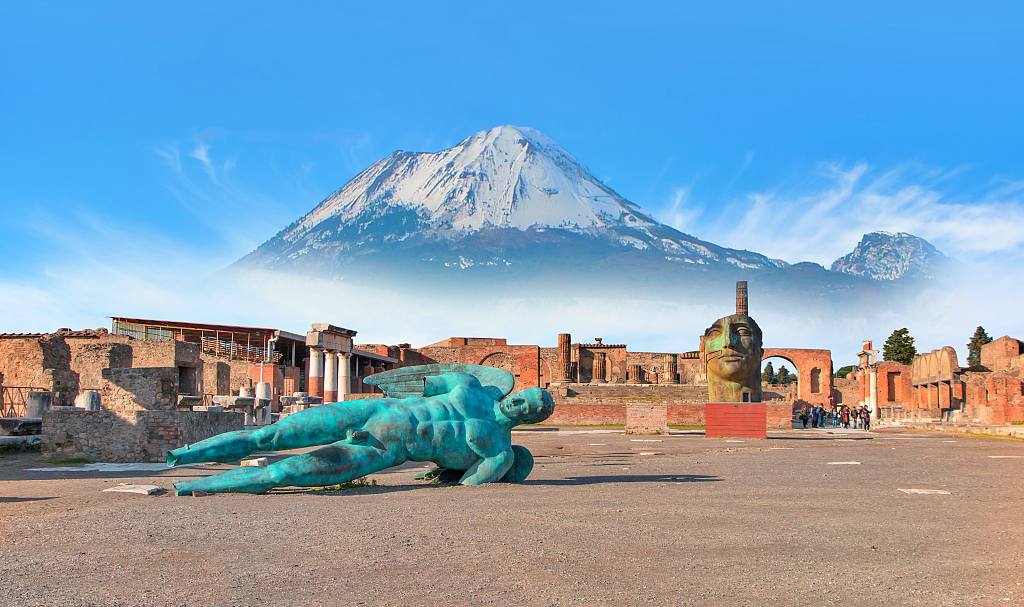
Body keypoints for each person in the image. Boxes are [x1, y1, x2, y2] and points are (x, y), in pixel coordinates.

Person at [167, 371, 554, 495]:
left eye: (531, 409)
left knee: (283, 474)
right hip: (376, 410)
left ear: (533, 420)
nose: (521, 405)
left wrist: (503, 466)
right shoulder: (470, 386)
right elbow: (420, 382)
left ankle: (195, 488)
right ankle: (181, 455)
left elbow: (470, 485)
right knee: (268, 437)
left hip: (385, 448)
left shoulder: (497, 451)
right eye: (525, 397)